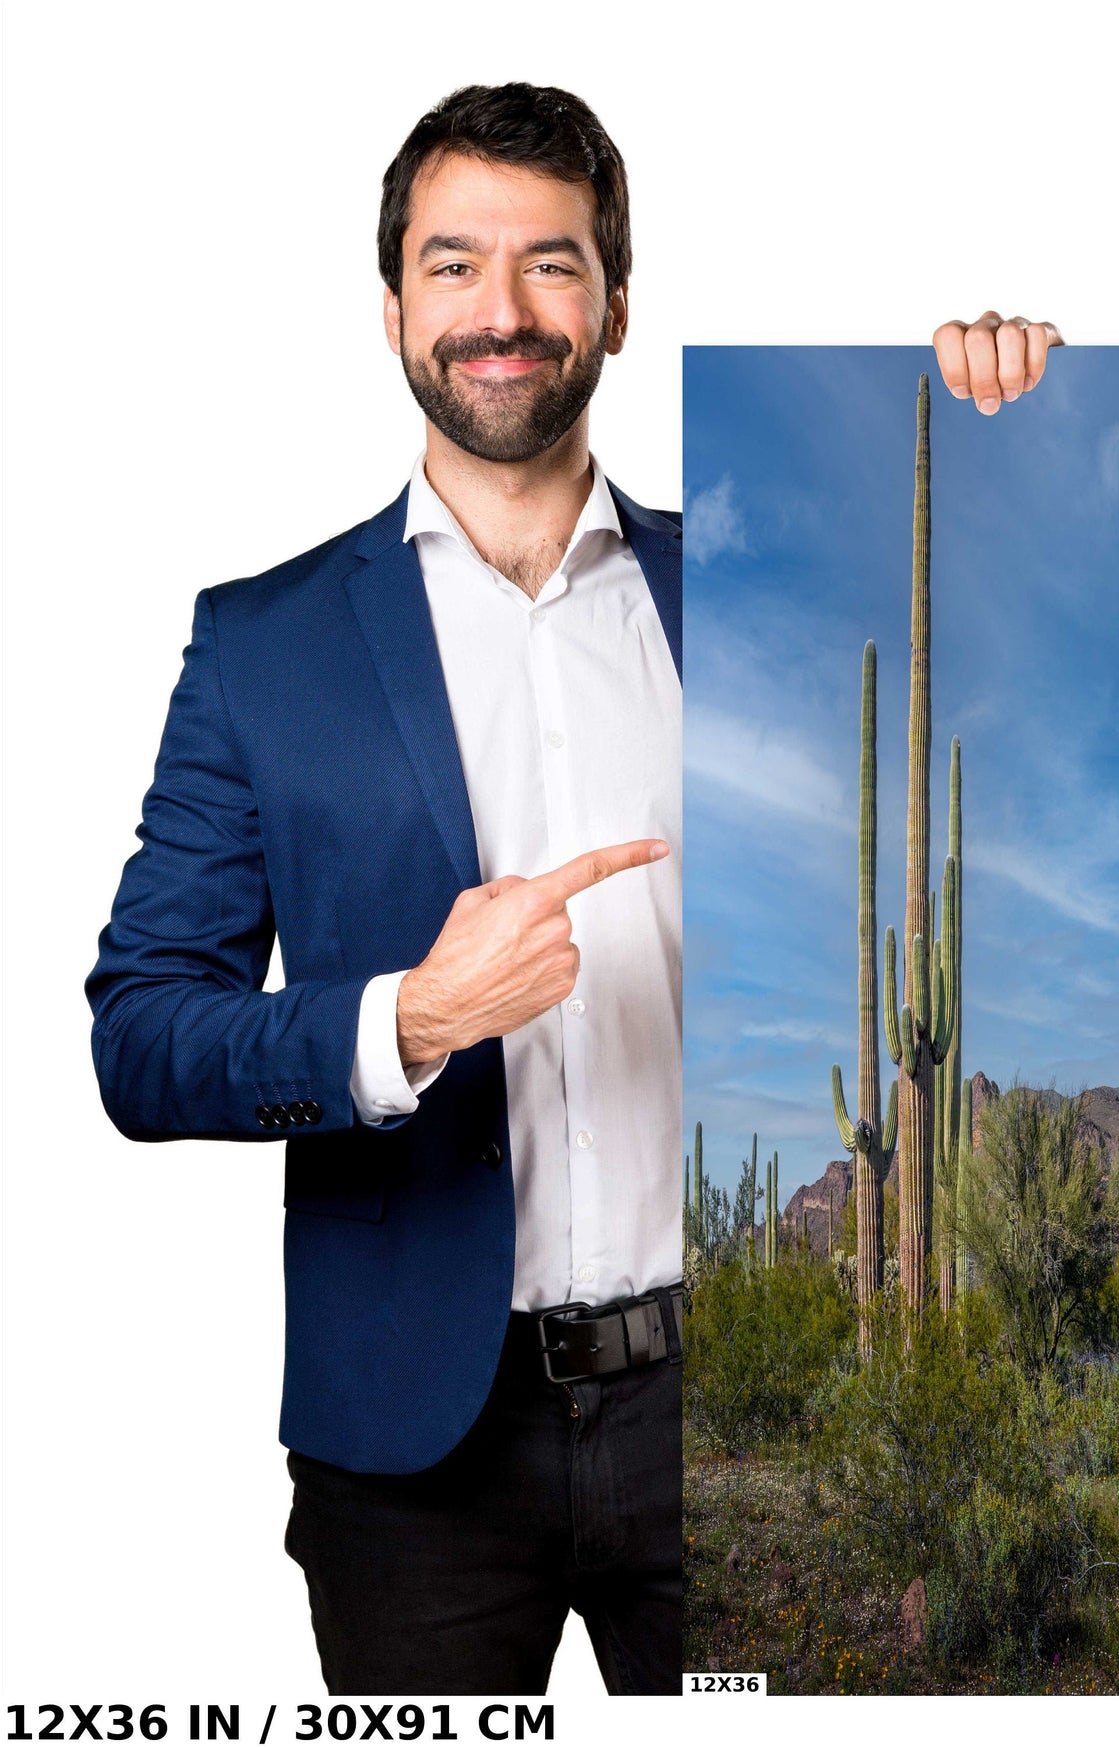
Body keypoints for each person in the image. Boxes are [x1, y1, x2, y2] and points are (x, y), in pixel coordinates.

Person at [85, 81, 1061, 1698]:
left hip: (736, 1409)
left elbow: (982, 675)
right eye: (453, 263)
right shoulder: (262, 647)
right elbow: (141, 1041)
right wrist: (403, 1020)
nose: (501, 311)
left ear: (615, 300)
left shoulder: (736, 596)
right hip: (415, 1457)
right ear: (393, 301)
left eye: (551, 263)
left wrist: (996, 414)